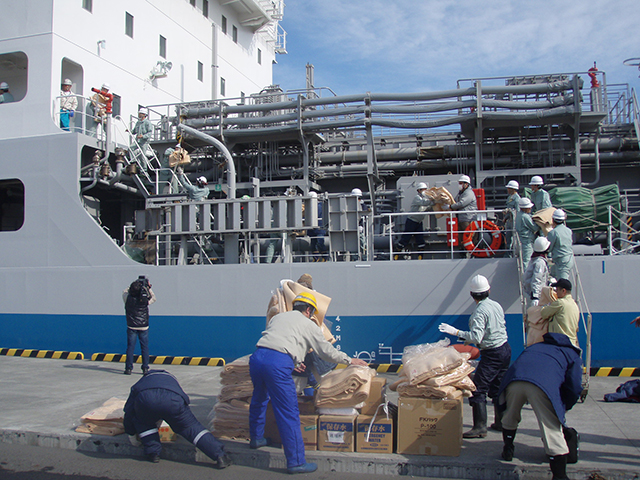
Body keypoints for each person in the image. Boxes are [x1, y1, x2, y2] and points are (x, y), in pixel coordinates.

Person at [249, 292, 368, 474]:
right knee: (288, 411)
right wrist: (349, 360)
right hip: (278, 363)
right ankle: (296, 462)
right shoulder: (309, 324)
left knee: (258, 399)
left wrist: (294, 361)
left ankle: (256, 438)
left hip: (257, 358)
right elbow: (325, 352)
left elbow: (280, 339)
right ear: (309, 309)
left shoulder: (278, 318)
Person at [497, 332, 582, 480]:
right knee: (550, 426)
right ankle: (559, 475)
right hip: (541, 387)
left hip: (515, 380)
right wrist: (565, 406)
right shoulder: (570, 353)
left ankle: (508, 449)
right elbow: (574, 385)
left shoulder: (534, 347)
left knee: (510, 415)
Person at [439, 274, 511, 438]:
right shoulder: (496, 305)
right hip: (505, 349)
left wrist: (456, 332)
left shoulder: (480, 312)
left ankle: (479, 427)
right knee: (498, 387)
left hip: (492, 353)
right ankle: (501, 422)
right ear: (488, 290)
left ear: (472, 294)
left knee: (477, 389)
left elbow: (476, 337)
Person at [123, 369, 231, 468]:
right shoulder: (172, 381)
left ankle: (153, 453)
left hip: (146, 399)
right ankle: (220, 456)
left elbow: (129, 411)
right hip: (173, 400)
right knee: (191, 428)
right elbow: (184, 399)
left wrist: (131, 433)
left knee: (143, 423)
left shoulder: (141, 383)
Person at [123, 275, 156, 375]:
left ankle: (128, 368)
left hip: (131, 326)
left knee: (130, 347)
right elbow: (154, 298)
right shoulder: (144, 301)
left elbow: (124, 292)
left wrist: (134, 285)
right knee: (144, 347)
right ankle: (145, 368)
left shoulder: (127, 299)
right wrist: (147, 288)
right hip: (143, 326)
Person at [541, 278, 580, 348]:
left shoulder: (560, 303)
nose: (556, 293)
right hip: (572, 343)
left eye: (557, 290)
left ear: (563, 291)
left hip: (560, 342)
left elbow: (544, 314)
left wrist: (544, 306)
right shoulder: (575, 305)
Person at [397, 182, 434, 251]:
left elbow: (427, 206)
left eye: (426, 189)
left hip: (418, 222)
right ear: (419, 190)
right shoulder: (417, 198)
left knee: (420, 238)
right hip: (412, 221)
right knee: (406, 237)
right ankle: (397, 251)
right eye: (423, 189)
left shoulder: (424, 199)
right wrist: (433, 200)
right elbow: (423, 202)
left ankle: (420, 254)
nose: (425, 191)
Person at [547, 209, 575, 280]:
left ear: (553, 220)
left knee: (563, 283)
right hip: (569, 259)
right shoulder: (568, 230)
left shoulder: (553, 233)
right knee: (553, 274)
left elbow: (548, 247)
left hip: (561, 261)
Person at [523, 236, 550, 307]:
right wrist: (535, 297)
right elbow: (537, 279)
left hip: (531, 294)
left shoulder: (534, 260)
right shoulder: (540, 262)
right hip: (537, 296)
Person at [515, 197, 540, 268]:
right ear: (524, 208)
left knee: (526, 259)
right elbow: (534, 227)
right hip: (527, 241)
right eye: (529, 207)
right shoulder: (525, 217)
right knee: (527, 260)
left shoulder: (519, 215)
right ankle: (527, 277)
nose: (530, 209)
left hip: (523, 240)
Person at [504, 180, 521, 250]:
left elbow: (518, 211)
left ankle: (514, 251)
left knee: (514, 237)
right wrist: (505, 218)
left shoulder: (517, 199)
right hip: (509, 220)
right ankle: (508, 252)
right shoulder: (510, 198)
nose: (507, 189)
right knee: (508, 237)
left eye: (509, 188)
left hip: (514, 221)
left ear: (513, 189)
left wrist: (510, 211)